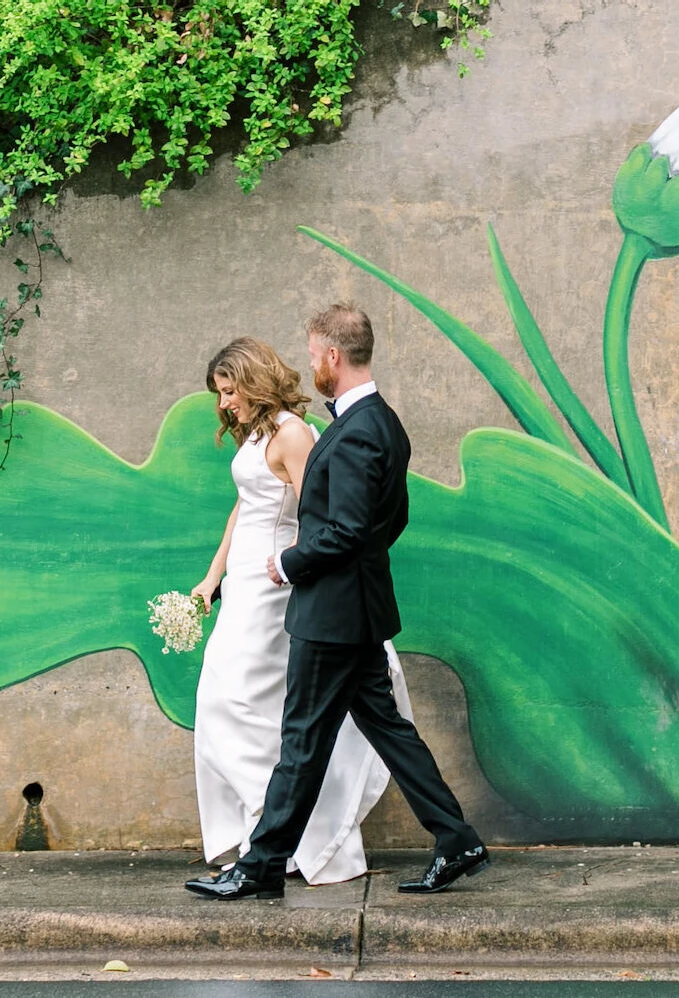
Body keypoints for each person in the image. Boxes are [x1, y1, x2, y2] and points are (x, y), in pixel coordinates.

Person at [188, 303, 488, 901]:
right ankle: (457, 840)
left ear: (331, 357)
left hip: (331, 616)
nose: (308, 367)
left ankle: (262, 865)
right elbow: (390, 521)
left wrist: (287, 562)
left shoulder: (355, 432)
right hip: (356, 610)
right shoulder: (382, 424)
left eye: (311, 356)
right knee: (389, 731)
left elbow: (346, 528)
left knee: (301, 740)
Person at [184, 336, 412, 891]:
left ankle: (289, 842)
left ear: (253, 381)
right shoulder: (257, 435)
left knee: (246, 707)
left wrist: (295, 571)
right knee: (232, 707)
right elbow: (244, 507)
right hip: (242, 586)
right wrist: (213, 578)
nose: (224, 404)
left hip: (276, 584)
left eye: (230, 390)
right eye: (219, 394)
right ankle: (267, 842)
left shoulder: (293, 434)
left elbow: (324, 513)